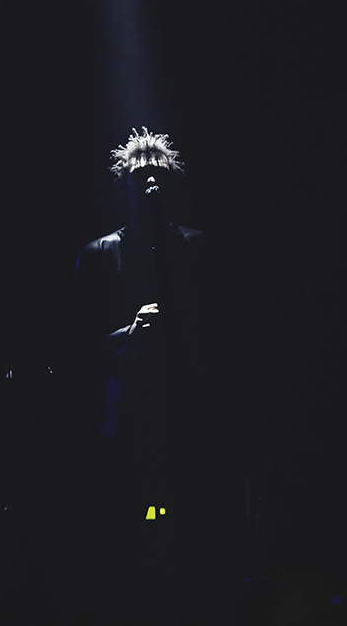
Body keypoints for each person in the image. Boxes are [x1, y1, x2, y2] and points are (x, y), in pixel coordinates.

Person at [74, 128, 234, 623]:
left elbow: (228, 336)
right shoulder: (99, 254)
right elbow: (77, 347)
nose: (150, 184)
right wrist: (130, 334)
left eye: (159, 176)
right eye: (140, 176)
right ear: (122, 186)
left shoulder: (202, 249)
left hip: (192, 419)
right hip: (126, 421)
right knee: (130, 537)